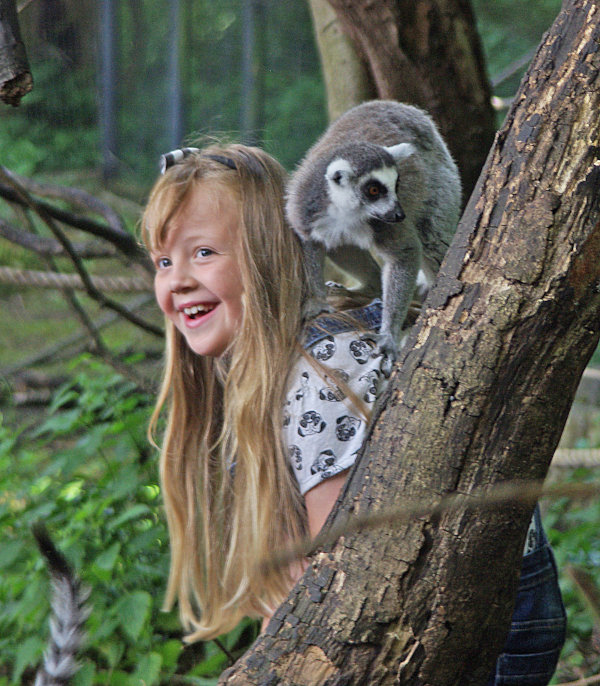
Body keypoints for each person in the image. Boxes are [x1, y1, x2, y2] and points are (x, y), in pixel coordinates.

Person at [141, 142, 565, 683]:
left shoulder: (324, 370)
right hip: (418, 613)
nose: (176, 278)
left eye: (203, 253)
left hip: (481, 625)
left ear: (271, 253)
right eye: (162, 260)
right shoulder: (265, 361)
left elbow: (344, 581)